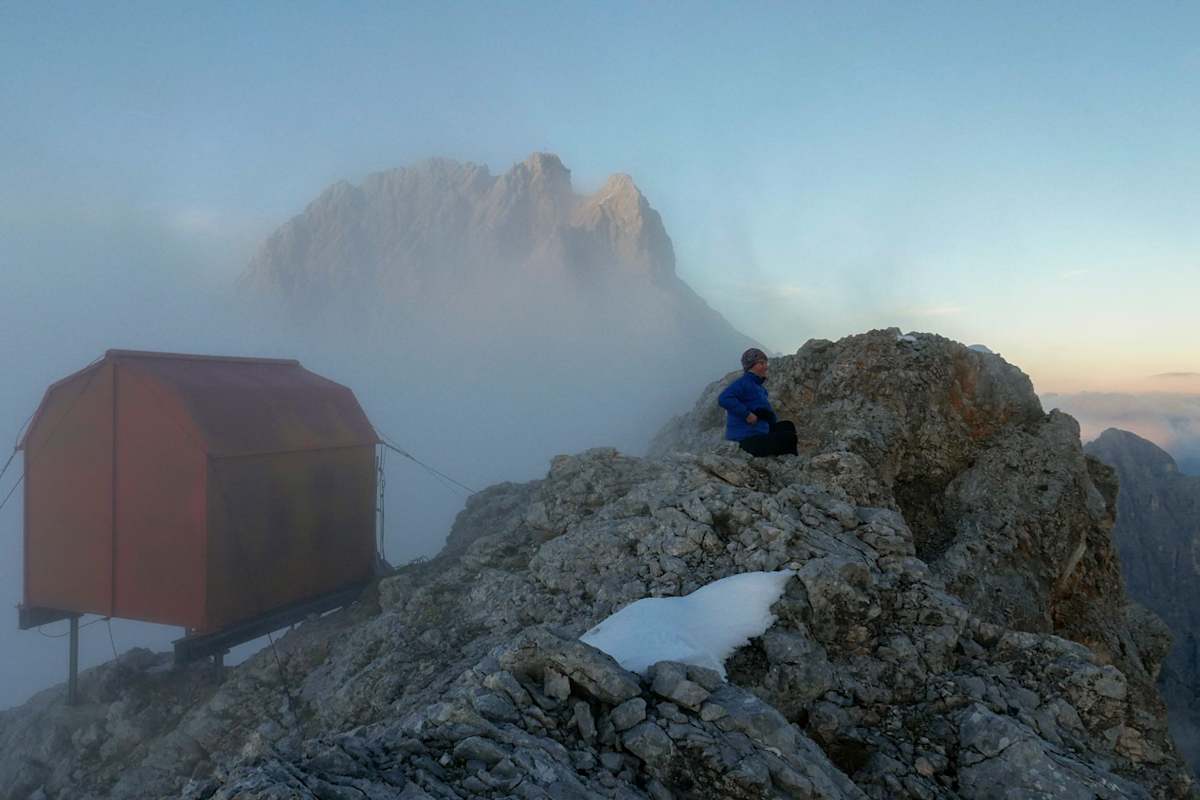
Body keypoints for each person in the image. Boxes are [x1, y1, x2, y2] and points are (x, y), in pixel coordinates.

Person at [717, 348, 798, 457]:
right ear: (751, 366)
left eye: (765, 363)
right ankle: (789, 466)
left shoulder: (759, 388)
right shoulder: (742, 383)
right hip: (745, 439)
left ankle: (784, 460)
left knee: (787, 426)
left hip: (758, 431)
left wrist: (769, 420)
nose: (766, 366)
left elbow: (764, 412)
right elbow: (724, 398)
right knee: (788, 438)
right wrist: (747, 414)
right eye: (761, 363)